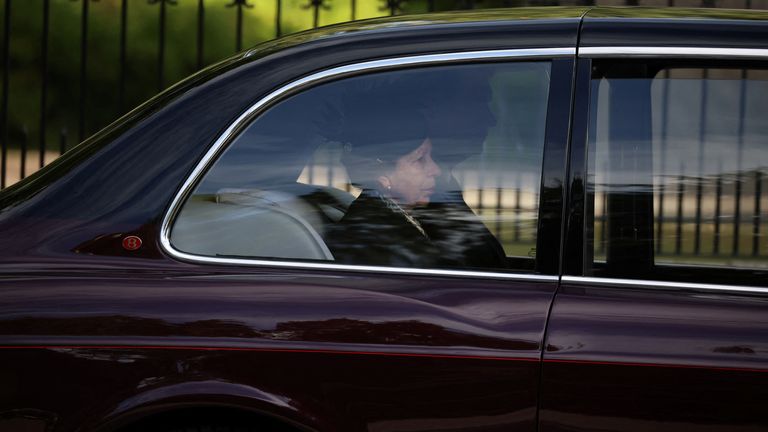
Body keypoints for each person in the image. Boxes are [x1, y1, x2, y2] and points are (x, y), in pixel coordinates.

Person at [324, 70, 508, 269]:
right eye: (420, 160)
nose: (435, 170)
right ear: (382, 174)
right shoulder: (368, 241)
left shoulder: (403, 215)